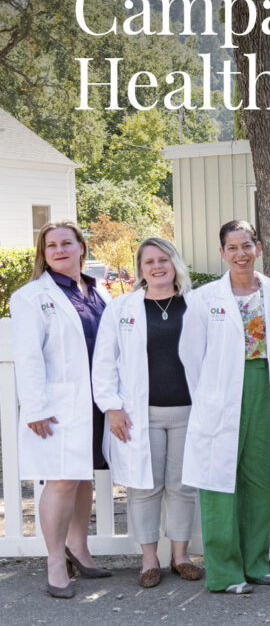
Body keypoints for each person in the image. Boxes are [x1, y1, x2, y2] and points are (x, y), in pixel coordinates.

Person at [180, 220, 270, 594]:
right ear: (222, 252)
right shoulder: (204, 298)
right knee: (219, 483)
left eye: (247, 245)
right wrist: (210, 396)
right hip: (221, 394)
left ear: (257, 247)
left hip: (263, 386)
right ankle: (225, 572)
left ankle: (256, 563)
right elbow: (191, 356)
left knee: (260, 480)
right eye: (232, 247)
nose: (240, 254)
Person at [92, 237, 204, 588]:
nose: (157, 266)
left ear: (175, 264)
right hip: (141, 414)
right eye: (149, 261)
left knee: (183, 487)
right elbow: (104, 362)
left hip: (189, 411)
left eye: (163, 259)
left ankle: (181, 556)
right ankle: (149, 559)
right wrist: (111, 408)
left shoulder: (194, 305)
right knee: (144, 486)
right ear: (140, 269)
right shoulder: (122, 308)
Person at [12, 221, 113, 598]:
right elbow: (28, 355)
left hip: (94, 400)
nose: (58, 250)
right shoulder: (31, 296)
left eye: (66, 243)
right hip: (57, 404)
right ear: (44, 252)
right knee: (61, 480)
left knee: (82, 475)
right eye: (50, 245)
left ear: (81, 247)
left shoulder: (99, 291)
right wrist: (35, 407)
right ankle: (56, 560)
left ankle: (79, 549)